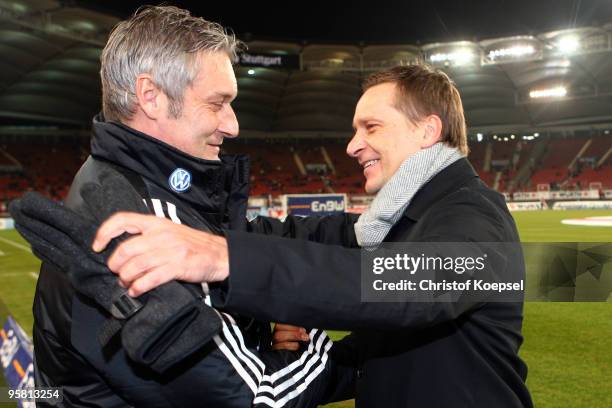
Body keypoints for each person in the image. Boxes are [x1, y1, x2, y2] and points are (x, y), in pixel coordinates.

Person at [94, 65, 534, 407]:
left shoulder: (474, 213)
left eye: (371, 127)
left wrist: (226, 257)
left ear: (428, 131)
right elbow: (313, 242)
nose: (351, 145)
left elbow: (408, 287)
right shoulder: (395, 220)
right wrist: (303, 358)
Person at [26, 5, 353, 407]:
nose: (232, 125)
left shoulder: (141, 188)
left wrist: (366, 230)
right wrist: (323, 346)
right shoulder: (129, 226)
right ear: (151, 97)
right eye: (217, 103)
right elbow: (257, 398)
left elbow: (250, 240)